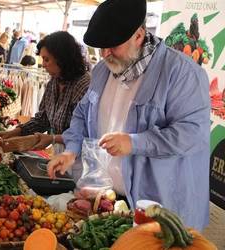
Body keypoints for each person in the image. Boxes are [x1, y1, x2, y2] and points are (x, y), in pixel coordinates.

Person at [47, 0, 210, 231]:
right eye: (100, 48)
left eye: (112, 46)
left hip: (159, 208)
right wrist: (71, 150)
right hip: (108, 200)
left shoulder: (182, 73)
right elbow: (82, 115)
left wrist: (134, 142)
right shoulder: (103, 70)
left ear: (139, 35)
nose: (104, 54)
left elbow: (192, 134)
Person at [0, 31, 91, 180]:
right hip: (59, 153)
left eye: (46, 59)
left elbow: (85, 133)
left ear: (62, 59)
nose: (43, 64)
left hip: (80, 159)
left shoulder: (84, 85)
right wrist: (13, 132)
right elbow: (42, 119)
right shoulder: (54, 82)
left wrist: (52, 139)